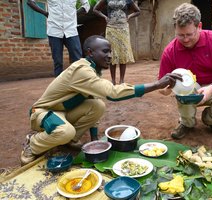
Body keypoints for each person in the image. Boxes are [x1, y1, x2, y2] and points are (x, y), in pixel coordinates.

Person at [20, 35, 181, 166]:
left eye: (110, 52)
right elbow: (113, 93)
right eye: (105, 51)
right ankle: (32, 144)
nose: (110, 56)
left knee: (97, 105)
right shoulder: (81, 70)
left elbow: (96, 105)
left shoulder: (93, 71)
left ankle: (69, 141)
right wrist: (157, 84)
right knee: (65, 131)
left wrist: (94, 141)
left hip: (63, 112)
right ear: (90, 53)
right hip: (43, 113)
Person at [158, 3, 212, 139]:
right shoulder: (170, 51)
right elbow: (163, 90)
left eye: (189, 34)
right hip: (191, 90)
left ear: (199, 26)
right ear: (175, 29)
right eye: (180, 35)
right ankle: (187, 123)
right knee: (184, 89)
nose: (185, 40)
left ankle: (211, 120)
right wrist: (168, 87)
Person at [27, 0, 90, 77]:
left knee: (77, 59)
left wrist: (74, 14)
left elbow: (86, 5)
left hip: (71, 30)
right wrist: (45, 13)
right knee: (58, 61)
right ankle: (59, 84)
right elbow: (30, 2)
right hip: (54, 30)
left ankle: (78, 81)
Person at [93, 0, 140, 85]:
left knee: (123, 53)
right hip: (111, 28)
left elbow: (138, 11)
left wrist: (129, 16)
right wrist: (104, 17)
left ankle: (122, 80)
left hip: (123, 28)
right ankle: (113, 80)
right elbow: (95, 9)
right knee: (112, 54)